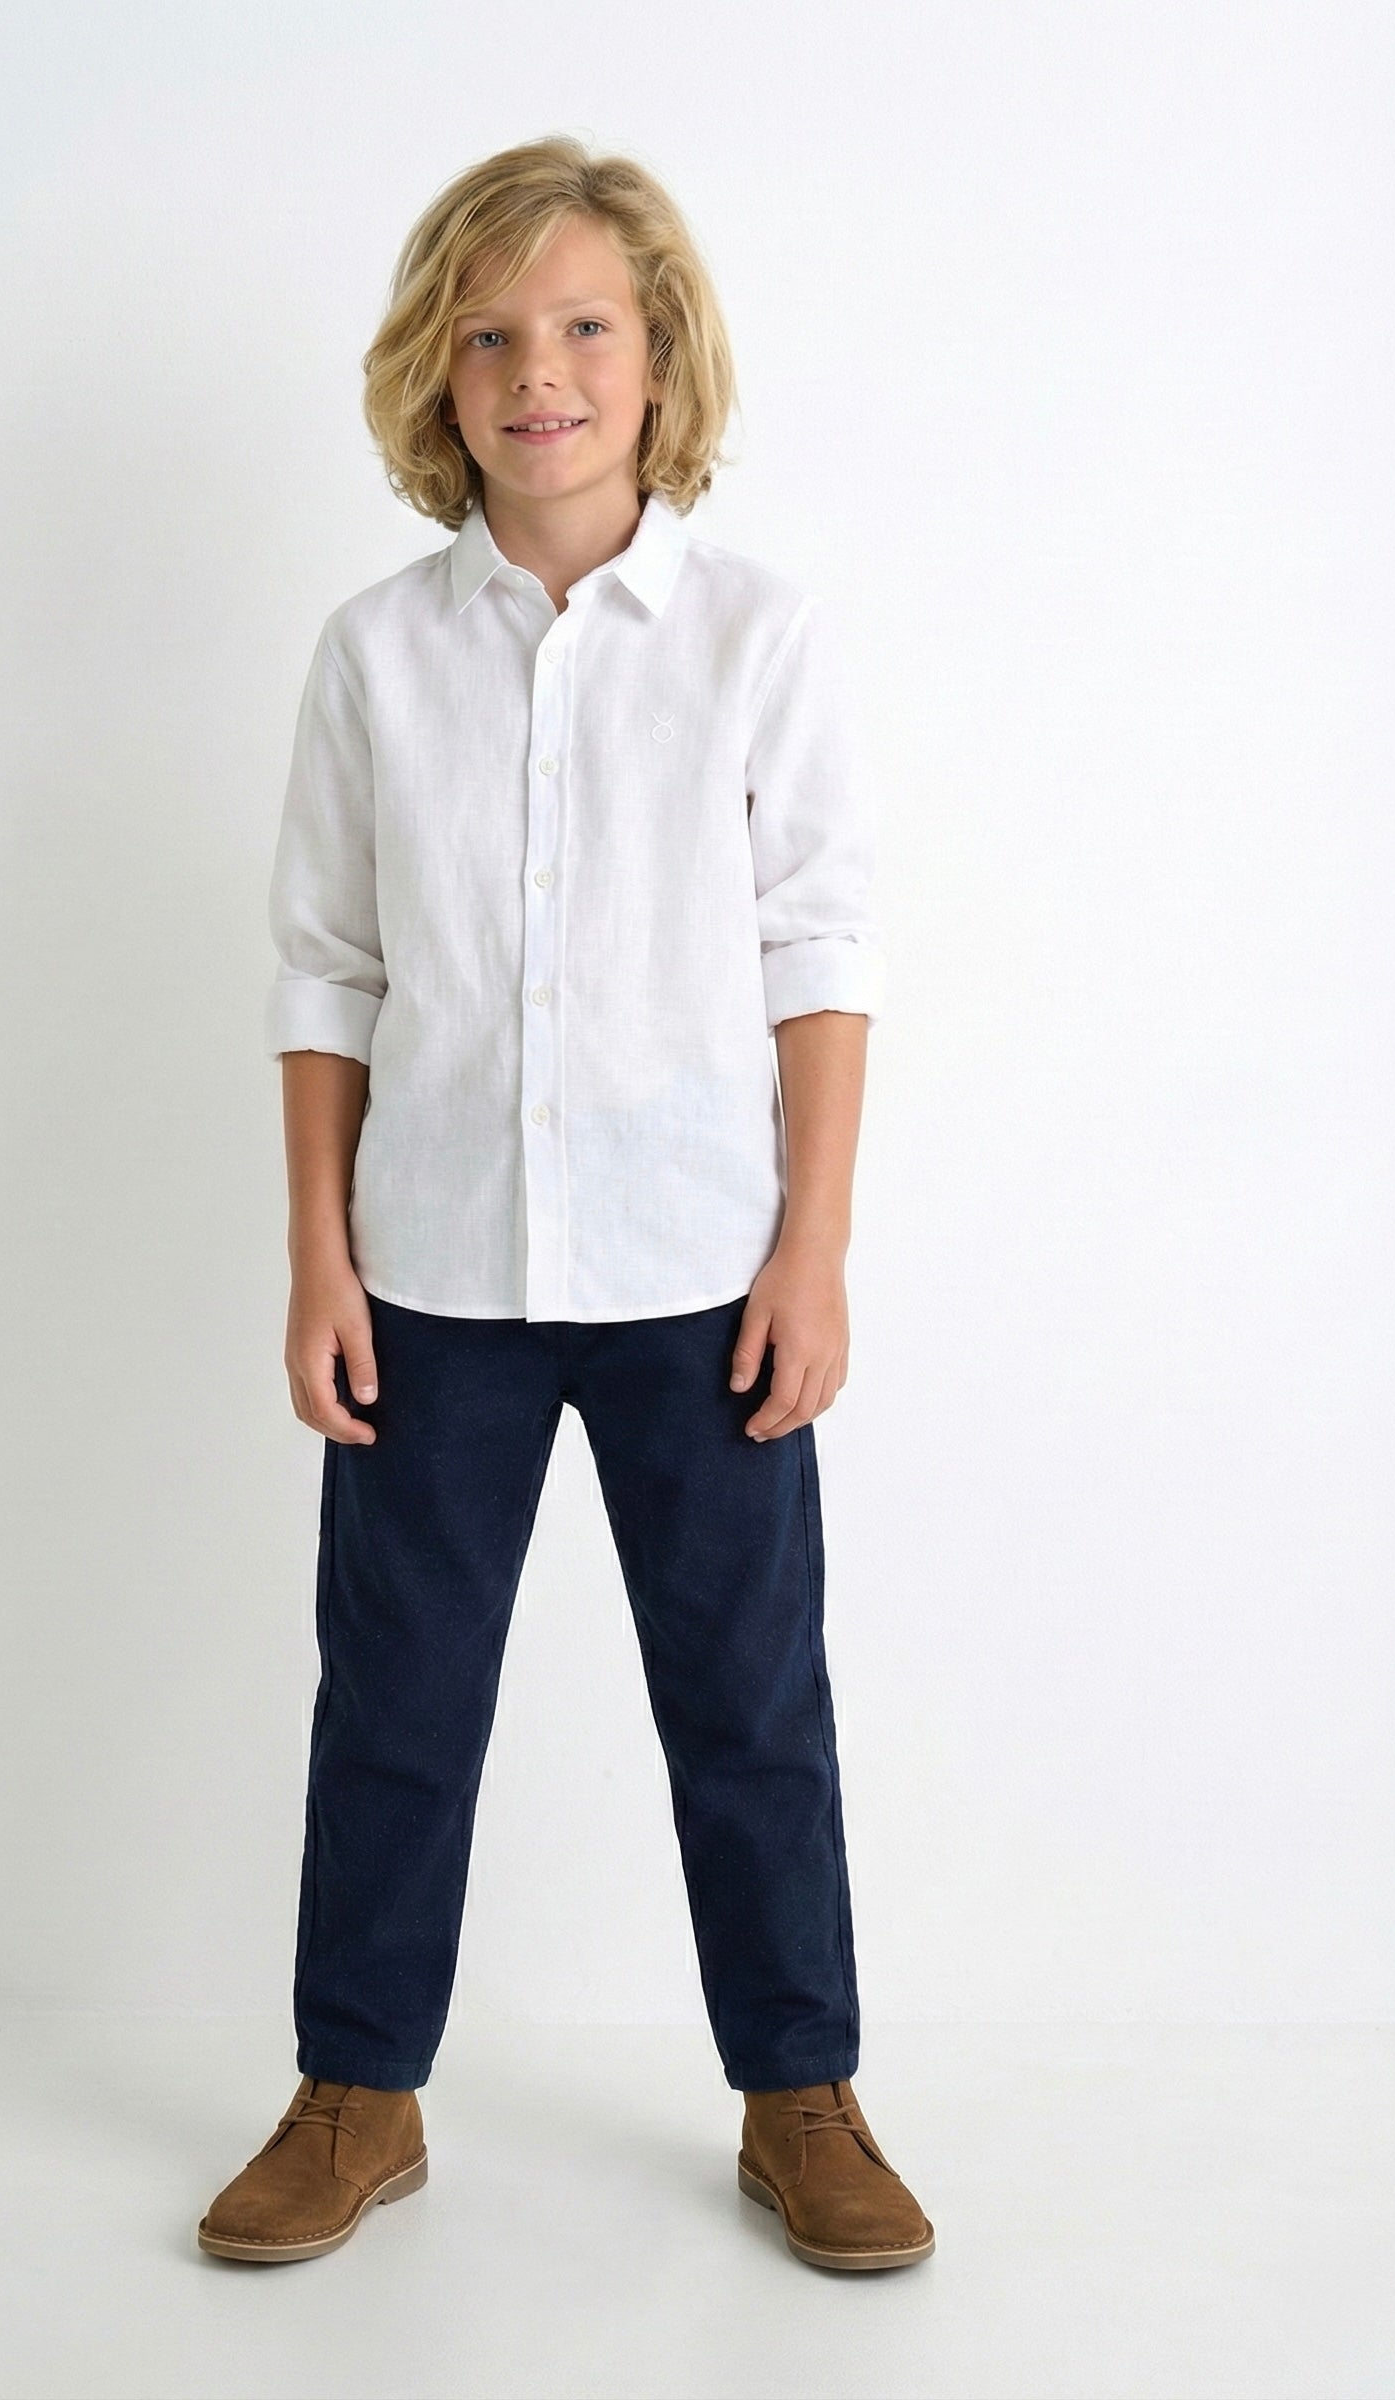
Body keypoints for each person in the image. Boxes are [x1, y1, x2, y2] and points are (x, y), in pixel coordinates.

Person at [197, 134, 934, 2274]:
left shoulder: (754, 639)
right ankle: (357, 2093)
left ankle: (800, 2094)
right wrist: (319, 1256)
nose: (541, 373)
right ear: (437, 378)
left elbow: (818, 952)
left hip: (700, 1273)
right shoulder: (374, 655)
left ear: (657, 357)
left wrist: (811, 1248)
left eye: (586, 327)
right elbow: (328, 970)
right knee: (395, 1701)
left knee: (748, 1701)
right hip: (431, 1276)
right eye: (492, 336)